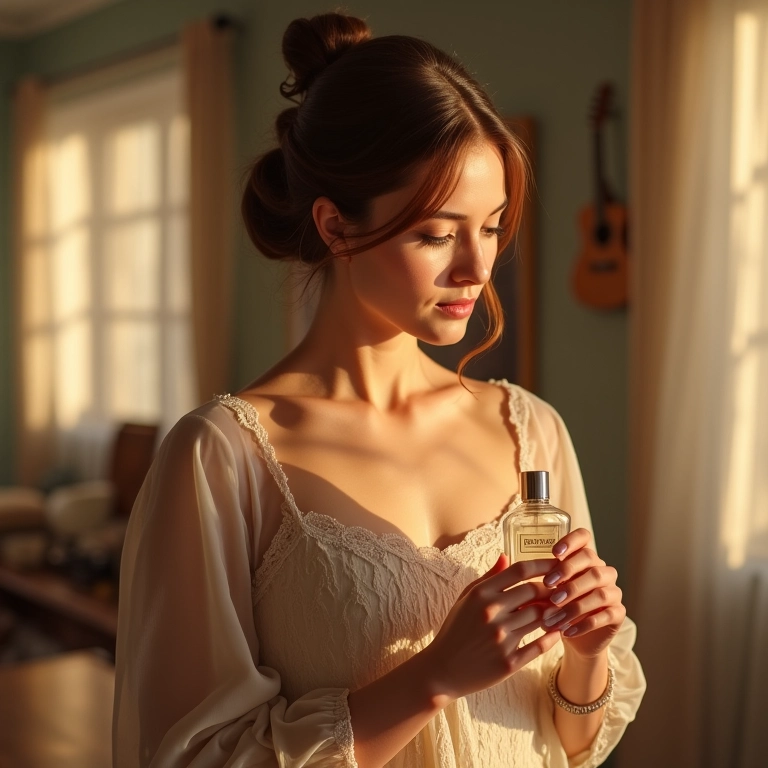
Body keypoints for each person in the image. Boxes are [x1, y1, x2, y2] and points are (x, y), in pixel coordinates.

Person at [112, 12, 646, 768]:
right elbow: (196, 757)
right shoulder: (224, 458)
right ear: (335, 227)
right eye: (437, 234)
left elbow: (572, 742)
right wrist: (432, 678)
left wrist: (588, 656)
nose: (477, 268)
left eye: (492, 227)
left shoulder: (531, 430)